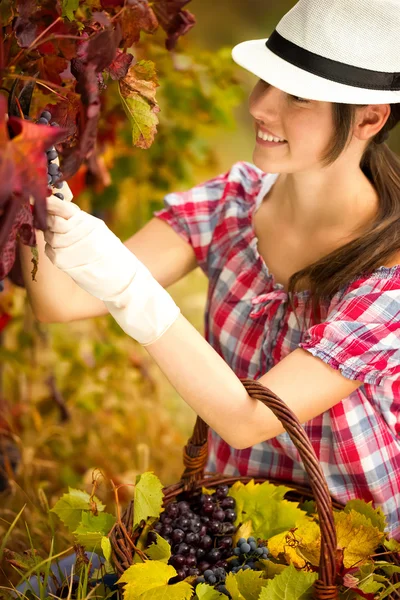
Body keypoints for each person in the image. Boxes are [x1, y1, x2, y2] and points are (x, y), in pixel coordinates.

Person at [21, 0, 400, 543]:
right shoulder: (234, 201)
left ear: (369, 117)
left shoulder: (390, 280)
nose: (262, 107)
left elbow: (247, 420)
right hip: (226, 525)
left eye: (297, 96)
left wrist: (131, 288)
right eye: (264, 82)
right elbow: (60, 301)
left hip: (349, 552)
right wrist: (33, 185)